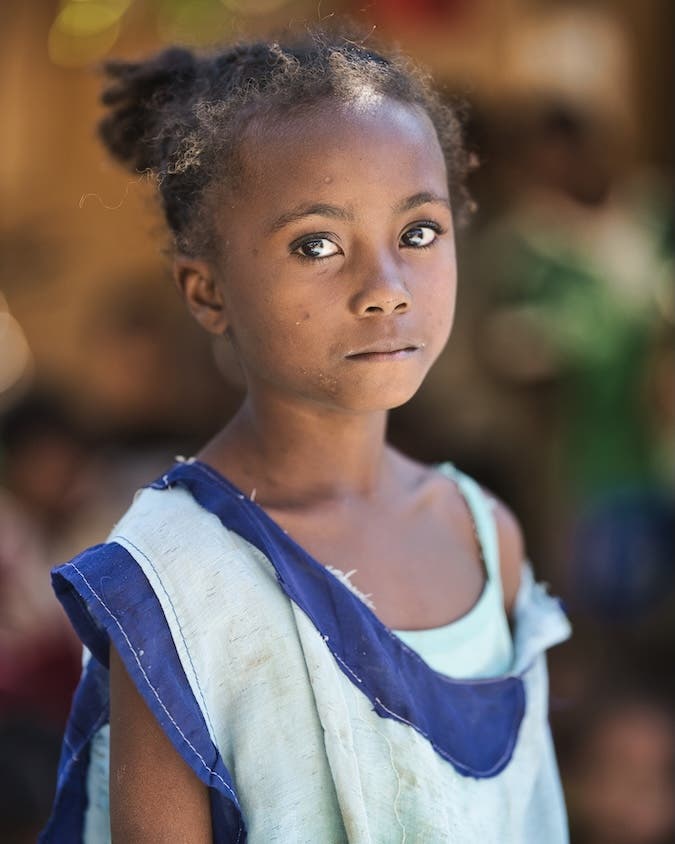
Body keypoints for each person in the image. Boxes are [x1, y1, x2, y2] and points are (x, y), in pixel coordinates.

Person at [41, 30, 571, 843]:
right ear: (207, 291)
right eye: (316, 245)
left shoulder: (481, 536)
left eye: (419, 232)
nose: (385, 289)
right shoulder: (179, 583)